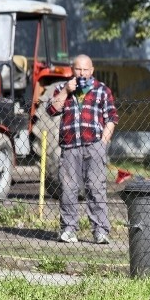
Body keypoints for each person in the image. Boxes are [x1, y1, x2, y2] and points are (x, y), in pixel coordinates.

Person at [46, 54, 118, 244]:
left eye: (86, 69)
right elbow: (52, 110)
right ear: (72, 70)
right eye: (78, 69)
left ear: (92, 70)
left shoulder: (102, 90)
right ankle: (69, 229)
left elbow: (111, 117)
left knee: (96, 188)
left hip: (94, 145)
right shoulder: (61, 88)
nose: (82, 73)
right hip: (70, 145)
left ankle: (100, 231)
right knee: (68, 189)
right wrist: (66, 92)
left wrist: (104, 140)